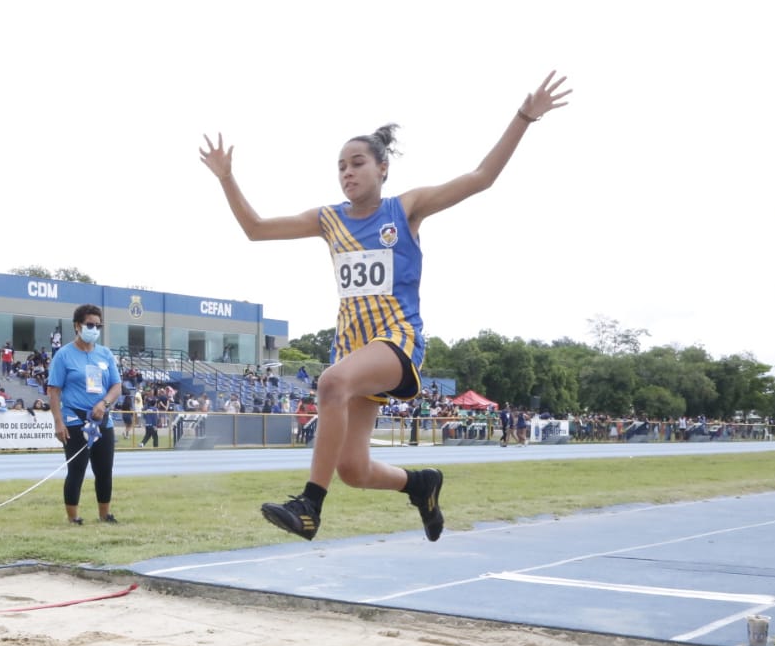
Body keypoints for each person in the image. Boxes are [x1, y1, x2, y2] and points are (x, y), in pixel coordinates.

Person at [202, 79, 568, 540]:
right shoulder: (328, 219)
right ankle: (421, 484)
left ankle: (310, 505)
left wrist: (524, 116)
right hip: (353, 348)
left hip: (397, 340)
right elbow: (255, 229)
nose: (347, 173)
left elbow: (481, 178)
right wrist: (226, 178)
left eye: (357, 164)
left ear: (383, 168)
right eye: (340, 167)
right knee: (354, 468)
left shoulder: (405, 209)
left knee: (331, 382)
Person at [47, 304, 122, 524]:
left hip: (101, 418)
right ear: (77, 326)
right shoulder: (64, 355)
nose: (94, 329)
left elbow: (116, 386)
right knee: (77, 469)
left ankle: (104, 514)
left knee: (104, 469)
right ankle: (74, 518)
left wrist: (104, 403)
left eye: (98, 326)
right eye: (90, 325)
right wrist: (58, 422)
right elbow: (53, 390)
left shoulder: (105, 354)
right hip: (74, 418)